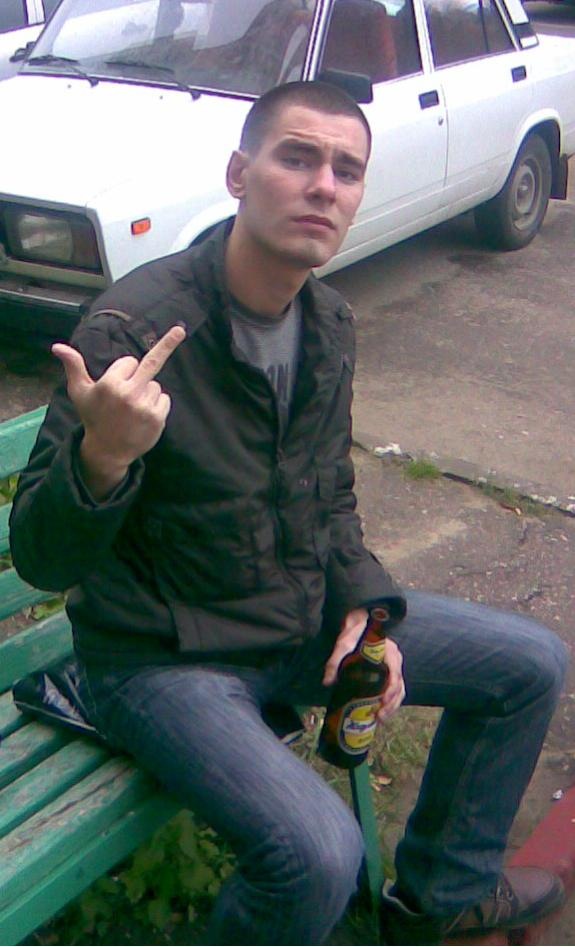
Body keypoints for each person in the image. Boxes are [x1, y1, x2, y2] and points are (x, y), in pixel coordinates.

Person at [9, 80, 567, 946]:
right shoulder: (135, 330)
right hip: (160, 660)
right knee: (317, 853)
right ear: (240, 173)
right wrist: (103, 457)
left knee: (530, 663)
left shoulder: (327, 322)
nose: (323, 186)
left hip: (291, 619)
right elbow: (43, 558)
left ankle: (442, 894)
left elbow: (328, 493)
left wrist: (365, 608)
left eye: (346, 170)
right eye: (297, 157)